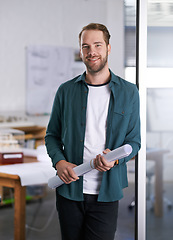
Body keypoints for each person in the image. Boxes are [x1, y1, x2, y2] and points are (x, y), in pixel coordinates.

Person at [45, 23, 141, 240]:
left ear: (108, 48)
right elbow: (52, 135)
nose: (91, 52)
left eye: (97, 45)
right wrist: (59, 162)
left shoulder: (129, 91)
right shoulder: (66, 91)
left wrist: (115, 160)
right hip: (70, 190)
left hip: (106, 194)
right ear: (81, 51)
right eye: (85, 46)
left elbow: (134, 141)